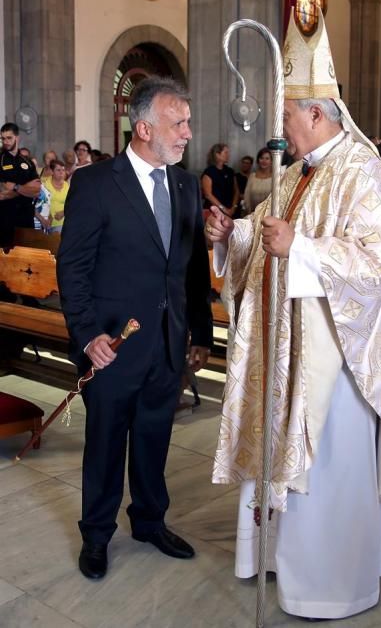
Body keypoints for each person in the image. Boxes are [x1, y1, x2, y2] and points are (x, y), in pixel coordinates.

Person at [207, 10, 381, 621]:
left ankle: (330, 585)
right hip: (285, 349)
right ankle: (280, 563)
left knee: (328, 476)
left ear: (317, 114)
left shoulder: (365, 172)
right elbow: (267, 230)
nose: (281, 134)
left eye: (288, 121)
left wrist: (300, 248)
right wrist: (233, 235)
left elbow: (377, 265)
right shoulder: (299, 171)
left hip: (338, 363)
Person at [57, 76, 213, 580]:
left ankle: (149, 521)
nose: (189, 132)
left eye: (188, 122)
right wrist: (87, 336)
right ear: (144, 127)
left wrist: (202, 335)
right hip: (113, 346)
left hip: (167, 346)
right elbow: (73, 270)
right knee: (105, 443)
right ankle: (96, 535)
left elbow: (191, 268)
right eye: (180, 122)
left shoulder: (186, 186)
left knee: (152, 439)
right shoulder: (97, 183)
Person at [0, 122, 41, 247]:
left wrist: (15, 187)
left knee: (27, 257)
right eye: (3, 138)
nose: (5, 141)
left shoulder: (27, 162)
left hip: (25, 217)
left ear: (17, 138)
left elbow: (37, 190)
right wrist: (26, 189)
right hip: (5, 218)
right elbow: (1, 194)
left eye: (9, 138)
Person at [201, 143, 239, 217]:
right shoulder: (209, 172)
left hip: (231, 210)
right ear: (217, 154)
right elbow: (208, 195)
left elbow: (236, 191)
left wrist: (233, 208)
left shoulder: (230, 171)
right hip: (213, 211)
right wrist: (224, 209)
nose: (228, 155)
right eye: (226, 152)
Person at [243, 147, 273, 213]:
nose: (264, 161)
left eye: (267, 158)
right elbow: (247, 197)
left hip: (270, 216)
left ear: (271, 161)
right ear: (258, 160)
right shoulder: (252, 176)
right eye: (261, 158)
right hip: (253, 214)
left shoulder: (275, 178)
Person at [42, 159, 69, 233]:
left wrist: (64, 212)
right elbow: (39, 203)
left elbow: (72, 203)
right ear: (52, 171)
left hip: (63, 222)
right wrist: (48, 215)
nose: (61, 172)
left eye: (63, 170)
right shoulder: (44, 184)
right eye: (58, 170)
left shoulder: (67, 185)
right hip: (46, 222)